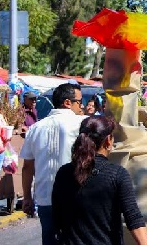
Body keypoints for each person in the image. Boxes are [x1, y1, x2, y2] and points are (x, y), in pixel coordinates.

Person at [52, 116, 147, 245]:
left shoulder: (63, 173)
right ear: (108, 141)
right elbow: (133, 218)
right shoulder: (117, 174)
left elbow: (57, 217)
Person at [19, 83, 87, 245]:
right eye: (79, 101)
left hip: (44, 198)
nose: (82, 105)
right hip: (76, 197)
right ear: (67, 103)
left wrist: (27, 197)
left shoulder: (35, 129)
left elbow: (27, 167)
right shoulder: (83, 124)